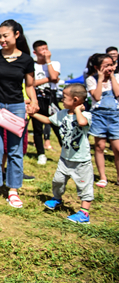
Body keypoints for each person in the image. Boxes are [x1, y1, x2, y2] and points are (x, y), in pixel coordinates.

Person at [0, 20, 38, 208]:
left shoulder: (26, 60)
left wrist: (34, 101)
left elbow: (29, 85)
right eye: (0, 36)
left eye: (6, 35)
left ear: (17, 35)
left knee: (15, 151)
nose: (2, 39)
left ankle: (13, 190)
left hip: (17, 107)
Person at [31, 84, 94, 224]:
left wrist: (78, 110)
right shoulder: (62, 113)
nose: (61, 99)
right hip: (65, 158)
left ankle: (84, 213)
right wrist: (33, 114)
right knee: (58, 181)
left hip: (81, 160)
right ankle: (57, 199)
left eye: (64, 98)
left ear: (76, 100)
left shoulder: (85, 115)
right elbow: (48, 120)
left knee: (84, 186)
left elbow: (82, 123)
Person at [85, 53, 119, 188]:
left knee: (117, 148)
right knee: (100, 147)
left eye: (111, 65)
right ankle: (103, 177)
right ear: (97, 67)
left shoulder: (116, 78)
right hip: (99, 116)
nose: (110, 68)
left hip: (115, 116)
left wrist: (111, 77)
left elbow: (117, 94)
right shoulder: (91, 80)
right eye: (106, 66)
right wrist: (100, 79)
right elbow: (97, 97)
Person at [31, 40, 62, 165]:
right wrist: (48, 79)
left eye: (46, 48)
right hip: (37, 97)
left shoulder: (54, 63)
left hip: (51, 98)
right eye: (42, 49)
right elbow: (31, 83)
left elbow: (55, 77)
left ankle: (66, 151)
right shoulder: (32, 65)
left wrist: (48, 61)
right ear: (35, 52)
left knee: (58, 126)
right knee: (37, 128)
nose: (45, 51)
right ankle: (41, 153)